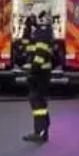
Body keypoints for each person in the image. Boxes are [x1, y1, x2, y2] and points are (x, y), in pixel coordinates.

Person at [23, 11, 53, 143]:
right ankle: (42, 130)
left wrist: (33, 70)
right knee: (38, 101)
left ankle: (40, 132)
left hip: (40, 73)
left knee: (37, 102)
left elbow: (40, 54)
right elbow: (26, 44)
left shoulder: (44, 33)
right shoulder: (39, 32)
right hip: (40, 72)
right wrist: (27, 29)